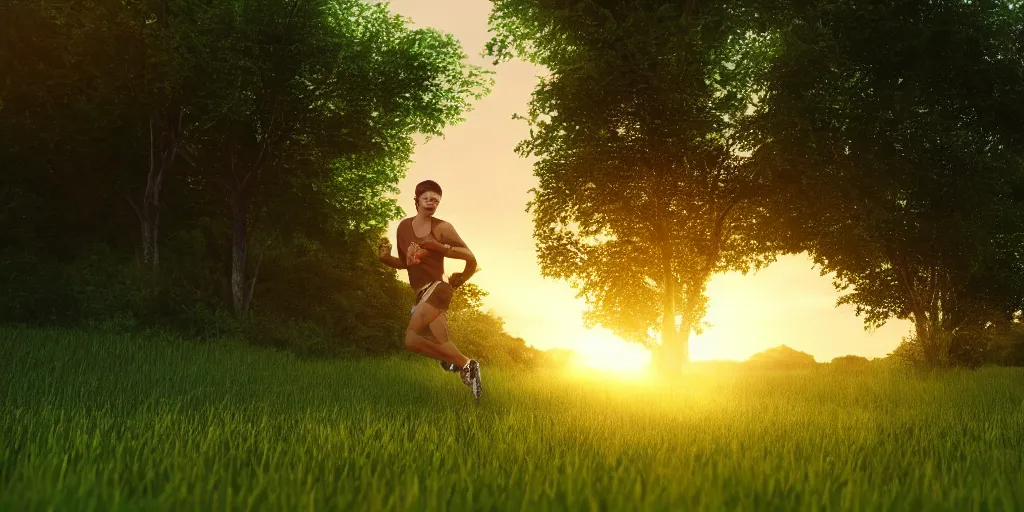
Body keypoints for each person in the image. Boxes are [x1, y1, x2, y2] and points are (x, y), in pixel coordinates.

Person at [377, 180, 482, 401]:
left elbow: (470, 257)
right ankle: (464, 369)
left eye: (436, 200)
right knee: (443, 344)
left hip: (438, 288)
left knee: (411, 340)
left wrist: (442, 251)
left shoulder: (442, 228)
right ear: (417, 200)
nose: (431, 203)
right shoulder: (403, 228)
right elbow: (408, 263)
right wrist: (386, 259)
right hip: (420, 294)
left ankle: (467, 365)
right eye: (427, 198)